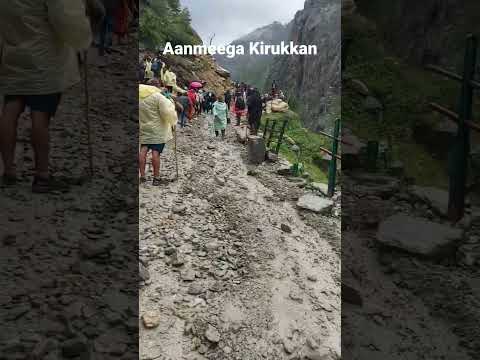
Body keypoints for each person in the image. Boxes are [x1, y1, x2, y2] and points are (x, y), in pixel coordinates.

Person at [0, 0, 94, 192]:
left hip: (14, 54)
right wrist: (82, 38)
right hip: (45, 59)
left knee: (10, 111)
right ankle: (42, 175)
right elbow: (65, 16)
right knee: (40, 117)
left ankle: (8, 171)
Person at [139, 80, 178, 186]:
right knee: (155, 153)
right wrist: (173, 121)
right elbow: (167, 112)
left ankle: (142, 176)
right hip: (158, 130)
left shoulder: (140, 96)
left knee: (143, 151)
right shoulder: (158, 97)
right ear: (157, 86)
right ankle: (156, 178)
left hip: (144, 127)